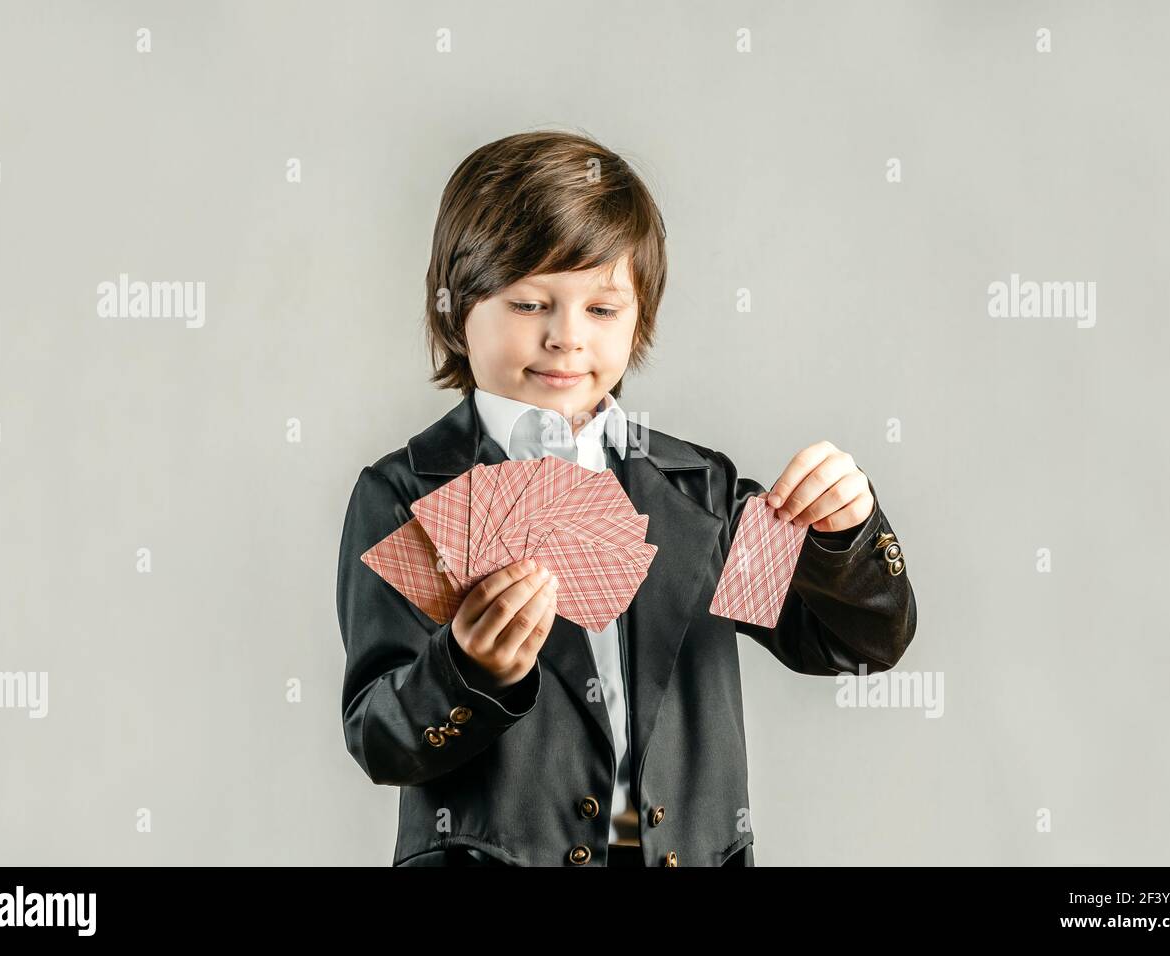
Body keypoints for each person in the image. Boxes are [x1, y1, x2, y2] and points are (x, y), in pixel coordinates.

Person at [336, 129, 917, 866]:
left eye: (602, 310)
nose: (565, 339)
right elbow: (380, 739)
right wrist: (466, 669)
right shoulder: (407, 495)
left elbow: (849, 646)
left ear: (639, 320)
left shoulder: (694, 492)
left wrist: (847, 536)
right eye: (528, 304)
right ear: (457, 310)